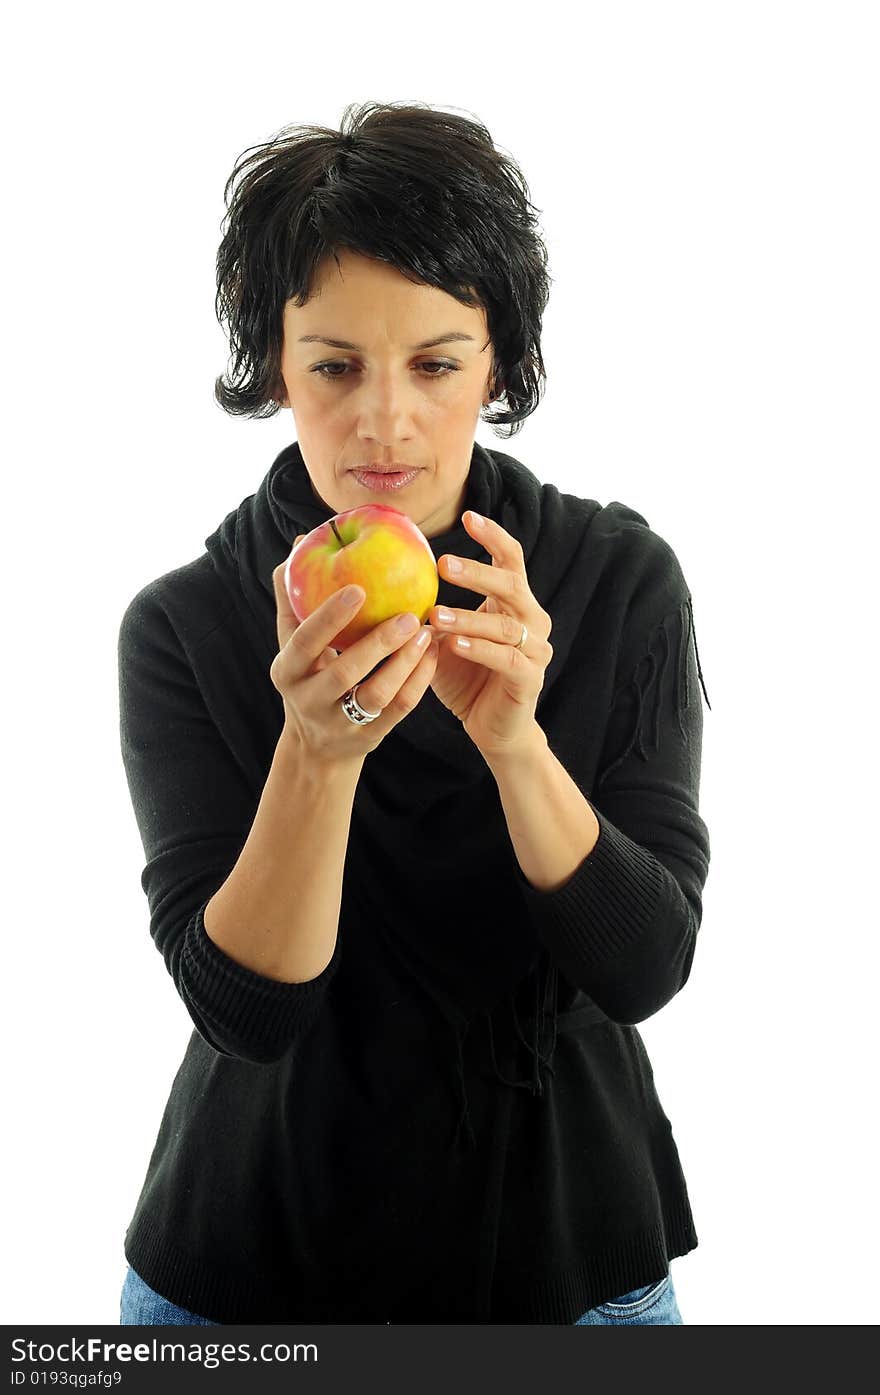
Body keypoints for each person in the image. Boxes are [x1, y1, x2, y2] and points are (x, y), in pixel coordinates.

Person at [116, 101, 711, 1327]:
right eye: (334, 366)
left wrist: (515, 744)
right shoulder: (187, 624)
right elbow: (243, 1013)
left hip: (569, 1255)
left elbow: (647, 964)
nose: (383, 422)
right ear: (275, 364)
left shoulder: (614, 582)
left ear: (496, 364)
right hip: (249, 1269)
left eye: (435, 363)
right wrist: (314, 760)